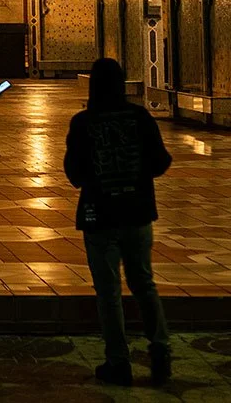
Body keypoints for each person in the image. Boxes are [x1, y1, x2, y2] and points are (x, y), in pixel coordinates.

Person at [65, 57, 173, 386]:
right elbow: (160, 161)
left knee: (108, 292)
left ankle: (118, 362)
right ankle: (160, 352)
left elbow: (74, 173)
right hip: (137, 213)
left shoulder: (83, 123)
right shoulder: (139, 117)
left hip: (100, 216)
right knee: (144, 283)